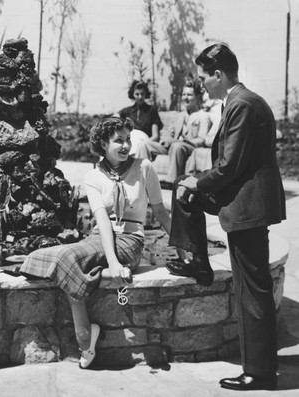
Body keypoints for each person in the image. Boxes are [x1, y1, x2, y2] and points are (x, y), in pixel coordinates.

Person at [165, 44, 286, 391]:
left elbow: (231, 165)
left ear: (218, 74)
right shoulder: (239, 101)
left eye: (204, 77)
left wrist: (198, 182)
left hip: (247, 206)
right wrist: (193, 184)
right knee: (181, 190)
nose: (201, 83)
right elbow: (232, 164)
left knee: (253, 290)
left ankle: (259, 373)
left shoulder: (243, 104)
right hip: (241, 198)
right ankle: (199, 262)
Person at [20, 116, 175, 369]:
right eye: (118, 141)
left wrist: (182, 245)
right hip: (100, 238)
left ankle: (83, 336)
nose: (125, 146)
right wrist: (112, 264)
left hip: (130, 241)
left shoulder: (144, 167)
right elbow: (102, 219)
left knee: (66, 257)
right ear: (103, 144)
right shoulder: (93, 176)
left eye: (127, 140)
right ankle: (86, 332)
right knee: (50, 254)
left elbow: (160, 211)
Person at [164, 79, 212, 184]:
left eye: (189, 95)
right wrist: (166, 140)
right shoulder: (179, 115)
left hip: (189, 147)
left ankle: (172, 183)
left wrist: (185, 141)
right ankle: (143, 182)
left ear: (198, 97)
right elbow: (171, 134)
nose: (185, 97)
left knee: (177, 146)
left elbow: (202, 139)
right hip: (174, 145)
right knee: (145, 145)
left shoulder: (203, 116)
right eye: (184, 94)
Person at [118, 80, 166, 160]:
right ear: (133, 94)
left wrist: (144, 144)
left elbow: (155, 136)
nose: (140, 97)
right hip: (130, 137)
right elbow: (114, 117)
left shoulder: (152, 110)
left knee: (136, 145)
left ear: (145, 94)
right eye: (137, 94)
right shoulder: (128, 111)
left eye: (142, 94)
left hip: (143, 139)